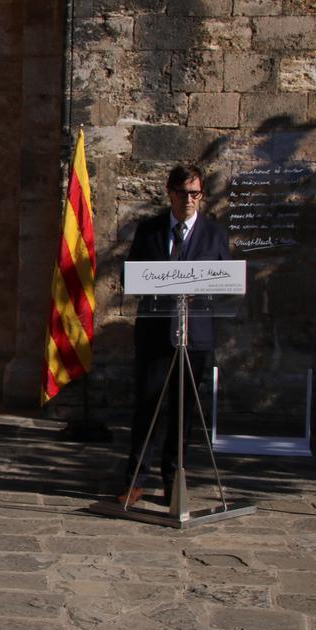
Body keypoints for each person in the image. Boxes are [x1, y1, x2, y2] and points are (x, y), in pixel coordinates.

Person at [120, 165, 231, 505]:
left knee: (183, 414)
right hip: (155, 333)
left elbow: (226, 284)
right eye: (182, 193)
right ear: (169, 192)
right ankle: (136, 479)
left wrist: (203, 290)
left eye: (195, 194)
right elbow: (130, 277)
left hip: (193, 336)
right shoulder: (150, 230)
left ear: (202, 196)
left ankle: (174, 480)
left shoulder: (214, 235)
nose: (188, 200)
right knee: (147, 408)